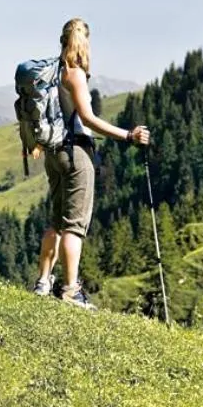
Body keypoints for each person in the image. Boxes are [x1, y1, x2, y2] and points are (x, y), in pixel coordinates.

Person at [33, 17, 150, 309]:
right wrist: (128, 135)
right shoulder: (75, 75)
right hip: (76, 153)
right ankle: (71, 290)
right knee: (74, 226)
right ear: (85, 43)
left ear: (62, 40)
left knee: (55, 222)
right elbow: (87, 118)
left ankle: (43, 282)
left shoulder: (51, 73)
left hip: (54, 153)